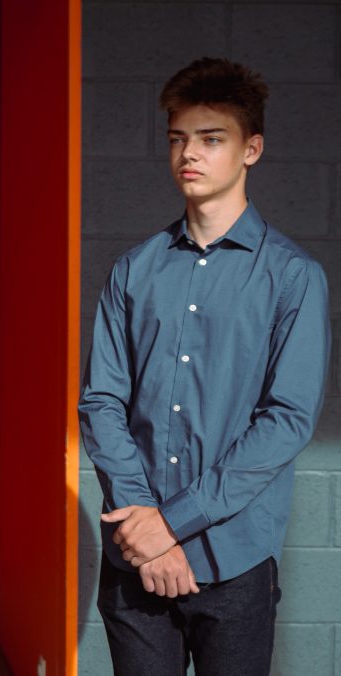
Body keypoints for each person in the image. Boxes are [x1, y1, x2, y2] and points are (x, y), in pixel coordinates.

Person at [79, 57, 331, 676]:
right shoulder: (133, 270)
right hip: (135, 560)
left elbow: (286, 421)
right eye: (178, 138)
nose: (189, 153)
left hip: (234, 559)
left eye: (211, 138)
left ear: (252, 150)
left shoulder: (293, 278)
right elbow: (102, 402)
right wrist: (145, 528)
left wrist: (170, 524)